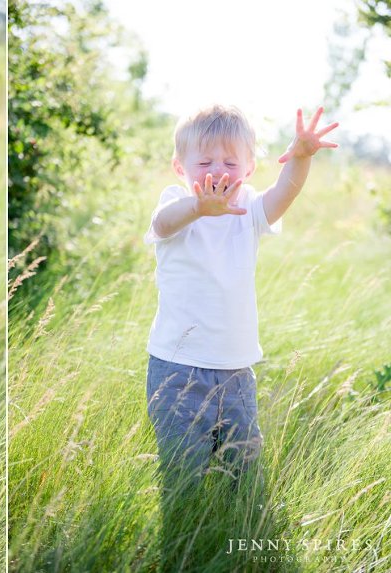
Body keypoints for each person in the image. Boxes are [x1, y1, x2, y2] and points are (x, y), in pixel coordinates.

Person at [144, 104, 338, 483]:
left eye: (230, 163)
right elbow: (161, 225)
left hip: (236, 369)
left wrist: (299, 157)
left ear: (248, 169)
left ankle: (237, 523)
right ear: (180, 167)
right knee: (183, 470)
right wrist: (199, 207)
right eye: (204, 163)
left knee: (242, 467)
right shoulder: (176, 203)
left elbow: (284, 193)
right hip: (176, 368)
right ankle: (188, 531)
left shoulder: (249, 206)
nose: (218, 170)